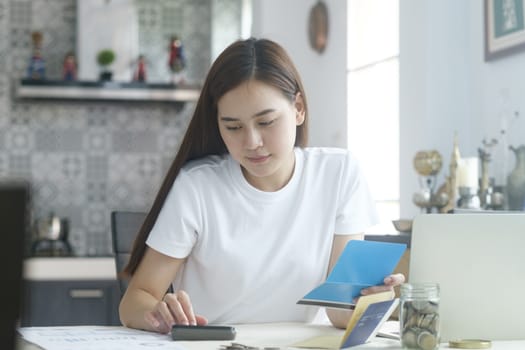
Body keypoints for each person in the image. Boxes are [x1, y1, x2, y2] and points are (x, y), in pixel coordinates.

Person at [119, 37, 404, 334]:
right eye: (233, 127)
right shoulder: (197, 186)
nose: (252, 142)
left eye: (266, 122)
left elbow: (340, 314)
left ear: (298, 108)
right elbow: (132, 304)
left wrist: (373, 299)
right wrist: (159, 313)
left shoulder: (339, 173)